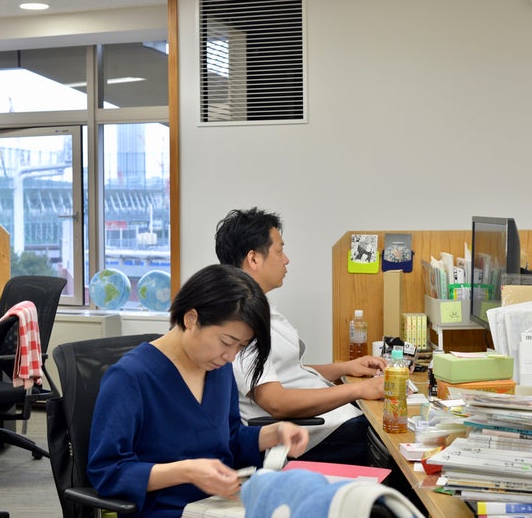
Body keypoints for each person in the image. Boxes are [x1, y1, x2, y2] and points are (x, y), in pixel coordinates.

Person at [87, 264, 309, 517]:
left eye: (240, 347)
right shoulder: (129, 378)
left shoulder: (218, 369)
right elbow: (107, 472)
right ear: (191, 318)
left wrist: (275, 433)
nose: (230, 356)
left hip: (219, 506)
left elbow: (229, 439)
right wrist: (186, 472)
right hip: (167, 510)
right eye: (226, 342)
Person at [215, 207, 387, 466]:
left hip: (323, 419)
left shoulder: (258, 305)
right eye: (279, 251)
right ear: (254, 259)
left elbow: (287, 370)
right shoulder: (239, 319)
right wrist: (359, 389)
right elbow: (276, 402)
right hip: (303, 433)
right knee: (391, 435)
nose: (286, 260)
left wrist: (345, 368)